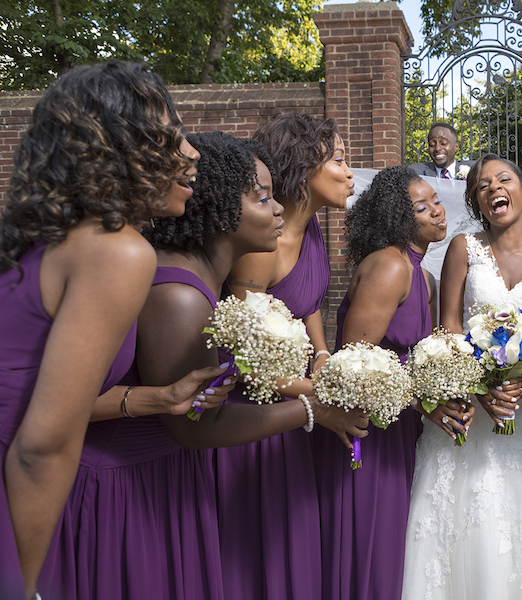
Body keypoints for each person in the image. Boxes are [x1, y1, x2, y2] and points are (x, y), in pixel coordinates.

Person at [0, 60, 198, 599]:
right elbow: (41, 447)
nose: (191, 152)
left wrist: (159, 398)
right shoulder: (118, 251)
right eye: (169, 135)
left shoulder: (41, 243)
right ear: (115, 146)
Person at [402, 154, 522, 599]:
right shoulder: (463, 249)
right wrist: (479, 388)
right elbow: (449, 327)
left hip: (520, 411)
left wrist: (516, 385)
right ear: (476, 201)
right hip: (466, 417)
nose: (494, 189)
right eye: (483, 185)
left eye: (504, 180)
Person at [221, 113, 362, 600]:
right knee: (262, 555)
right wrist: (317, 395)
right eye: (340, 160)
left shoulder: (314, 228)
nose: (350, 172)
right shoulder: (263, 244)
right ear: (304, 168)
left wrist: (322, 354)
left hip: (297, 407)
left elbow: (306, 303)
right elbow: (237, 351)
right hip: (255, 418)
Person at [313, 166, 450, 600]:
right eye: (421, 207)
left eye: (436, 201)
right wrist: (426, 402)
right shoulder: (391, 265)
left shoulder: (423, 275)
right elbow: (357, 366)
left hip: (400, 421)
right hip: (367, 426)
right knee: (369, 543)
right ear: (397, 217)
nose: (436, 212)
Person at [408, 123, 475, 179]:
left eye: (443, 143)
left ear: (456, 146)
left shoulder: (474, 169)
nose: (437, 148)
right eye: (432, 144)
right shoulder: (415, 172)